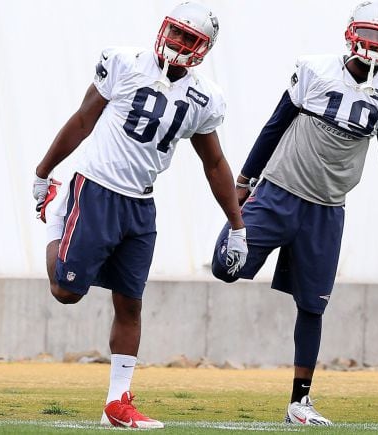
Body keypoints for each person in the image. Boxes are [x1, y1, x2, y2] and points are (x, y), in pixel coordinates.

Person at [33, 1, 247, 429]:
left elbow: (215, 163)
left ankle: (117, 402)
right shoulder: (124, 62)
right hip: (95, 189)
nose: (179, 42)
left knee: (130, 304)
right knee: (65, 293)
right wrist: (44, 173)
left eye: (190, 38)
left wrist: (237, 225)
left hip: (141, 205)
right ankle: (59, 214)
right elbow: (82, 121)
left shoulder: (204, 97)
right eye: (177, 31)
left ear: (203, 48)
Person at [211, 1, 378, 426]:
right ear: (350, 33)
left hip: (327, 210)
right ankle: (234, 235)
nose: (375, 45)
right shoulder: (314, 70)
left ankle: (298, 403)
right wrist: (245, 181)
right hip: (279, 193)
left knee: (313, 307)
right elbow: (275, 125)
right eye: (370, 35)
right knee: (224, 268)